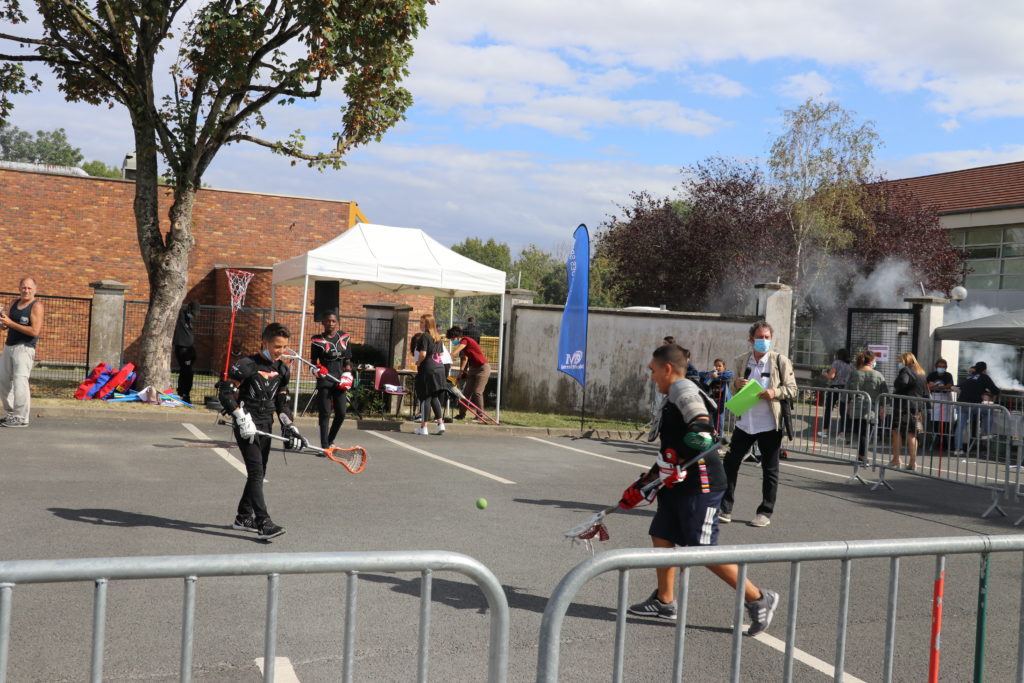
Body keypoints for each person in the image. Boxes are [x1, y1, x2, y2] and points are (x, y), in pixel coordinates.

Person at [622, 344, 779, 633]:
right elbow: (671, 447)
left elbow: (702, 432)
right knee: (662, 533)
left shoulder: (683, 389)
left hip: (702, 484)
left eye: (653, 370)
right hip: (679, 482)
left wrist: (680, 455)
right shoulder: (673, 393)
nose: (651, 375)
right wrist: (648, 482)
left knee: (701, 548)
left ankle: (759, 599)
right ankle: (664, 600)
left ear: (667, 369)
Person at [217, 322, 307, 540]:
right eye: (277, 346)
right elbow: (225, 394)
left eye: (284, 347)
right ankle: (263, 522)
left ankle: (242, 517)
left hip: (266, 426)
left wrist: (290, 426)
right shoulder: (246, 365)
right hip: (246, 426)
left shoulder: (283, 370)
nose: (281, 351)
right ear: (264, 343)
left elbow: (282, 403)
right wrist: (239, 416)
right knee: (256, 472)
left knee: (259, 472)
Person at [719, 321, 797, 528]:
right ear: (751, 339)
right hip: (745, 422)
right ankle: (725, 508)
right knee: (730, 463)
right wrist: (735, 385)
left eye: (767, 337)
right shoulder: (741, 361)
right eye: (759, 337)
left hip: (770, 423)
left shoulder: (780, 361)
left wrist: (775, 392)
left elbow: (792, 389)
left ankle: (764, 512)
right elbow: (733, 390)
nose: (763, 341)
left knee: (770, 469)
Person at [0, 277, 44, 428]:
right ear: (19, 288)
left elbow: (34, 331)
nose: (26, 291)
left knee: (20, 382)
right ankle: (12, 414)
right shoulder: (13, 303)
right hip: (9, 346)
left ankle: (22, 417)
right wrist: (4, 324)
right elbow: (7, 326)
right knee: (3, 380)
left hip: (24, 348)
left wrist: (11, 323)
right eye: (23, 287)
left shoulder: (36, 306)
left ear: (35, 290)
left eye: (29, 288)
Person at [310, 311, 354, 450]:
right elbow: (313, 363)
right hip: (325, 381)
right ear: (323, 323)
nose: (331, 323)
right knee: (325, 414)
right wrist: (317, 370)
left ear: (337, 322)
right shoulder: (317, 340)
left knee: (341, 413)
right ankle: (324, 447)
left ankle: (330, 439)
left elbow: (347, 360)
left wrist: (347, 374)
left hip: (339, 380)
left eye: (333, 321)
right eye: (328, 321)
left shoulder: (344, 337)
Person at [845, 351, 888, 464]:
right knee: (866, 433)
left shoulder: (855, 373)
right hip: (871, 408)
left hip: (856, 406)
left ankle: (861, 457)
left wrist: (847, 404)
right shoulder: (878, 375)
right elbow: (884, 394)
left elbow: (847, 390)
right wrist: (883, 408)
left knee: (859, 433)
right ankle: (862, 457)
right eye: (875, 361)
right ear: (872, 361)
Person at [890, 352, 928, 470]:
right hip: (917, 407)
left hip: (903, 406)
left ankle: (896, 458)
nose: (899, 363)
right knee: (912, 434)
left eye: (900, 361)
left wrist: (897, 386)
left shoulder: (906, 371)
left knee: (896, 431)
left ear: (905, 361)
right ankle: (913, 461)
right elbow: (926, 392)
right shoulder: (921, 372)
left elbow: (902, 383)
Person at [954, 361, 1001, 457]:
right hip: (973, 404)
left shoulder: (970, 377)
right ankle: (985, 433)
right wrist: (987, 391)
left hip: (962, 403)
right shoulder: (984, 377)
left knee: (960, 427)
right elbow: (996, 390)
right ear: (985, 370)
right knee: (989, 410)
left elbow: (960, 386)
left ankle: (958, 450)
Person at [446, 326, 492, 421]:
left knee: (477, 392)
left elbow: (456, 351)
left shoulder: (465, 340)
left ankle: (480, 415)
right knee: (465, 393)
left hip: (483, 368)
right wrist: (461, 372)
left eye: (452, 339)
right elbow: (465, 358)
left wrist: (448, 356)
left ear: (457, 336)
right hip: (473, 369)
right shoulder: (463, 345)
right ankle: (461, 414)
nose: (452, 341)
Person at [413, 314, 448, 435]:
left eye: (422, 322)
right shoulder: (438, 337)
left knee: (425, 397)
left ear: (427, 324)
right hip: (439, 368)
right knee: (434, 396)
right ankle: (440, 424)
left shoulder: (424, 337)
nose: (420, 324)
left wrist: (418, 362)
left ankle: (423, 427)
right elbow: (442, 354)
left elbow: (422, 354)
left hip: (428, 368)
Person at [818, 348, 852, 439]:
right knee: (843, 412)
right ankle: (842, 434)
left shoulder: (836, 363)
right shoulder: (850, 365)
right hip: (845, 389)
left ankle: (825, 430)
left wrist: (824, 373)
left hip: (835, 388)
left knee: (829, 409)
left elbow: (831, 376)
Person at [926, 358, 956, 450]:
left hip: (946, 398)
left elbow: (949, 386)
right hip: (935, 397)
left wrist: (937, 386)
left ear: (946, 367)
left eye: (943, 367)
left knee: (945, 420)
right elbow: (929, 385)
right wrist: (939, 387)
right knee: (935, 419)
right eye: (940, 366)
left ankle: (945, 442)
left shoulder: (948, 375)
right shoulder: (932, 375)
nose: (941, 368)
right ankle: (936, 439)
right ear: (936, 367)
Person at [172, 300, 199, 405]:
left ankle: (184, 392)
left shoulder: (188, 320)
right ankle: (184, 393)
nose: (193, 316)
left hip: (189, 349)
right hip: (183, 349)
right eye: (192, 313)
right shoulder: (181, 316)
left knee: (187, 372)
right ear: (188, 309)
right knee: (187, 373)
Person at [699, 358, 733, 434]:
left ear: (724, 367)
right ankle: (713, 437)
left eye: (719, 366)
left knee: (719, 420)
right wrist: (710, 375)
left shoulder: (726, 373)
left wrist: (717, 377)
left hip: (722, 401)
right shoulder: (712, 373)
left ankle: (720, 437)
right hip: (713, 400)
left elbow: (729, 376)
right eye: (715, 366)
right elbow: (701, 374)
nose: (717, 368)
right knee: (712, 421)